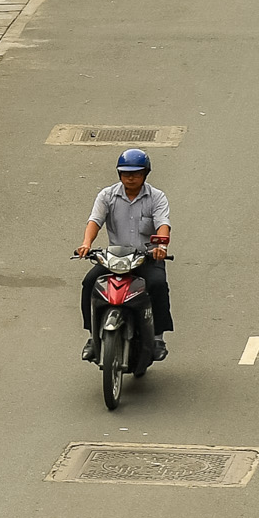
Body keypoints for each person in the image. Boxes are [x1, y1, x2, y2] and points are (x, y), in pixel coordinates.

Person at [75, 150, 172, 363]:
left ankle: (158, 338)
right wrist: (86, 244)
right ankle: (92, 337)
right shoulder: (107, 195)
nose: (130, 177)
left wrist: (161, 247)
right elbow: (95, 220)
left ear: (145, 174)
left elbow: (163, 224)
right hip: (116, 258)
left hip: (145, 257)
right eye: (126, 173)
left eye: (136, 173)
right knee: (89, 282)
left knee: (157, 284)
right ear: (119, 174)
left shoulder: (156, 197)